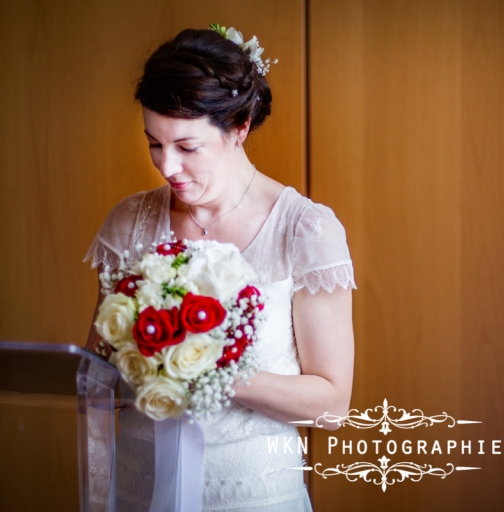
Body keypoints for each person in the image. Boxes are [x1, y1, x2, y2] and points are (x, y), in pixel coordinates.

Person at [84, 26, 355, 511]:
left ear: (240, 127)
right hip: (140, 489)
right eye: (154, 143)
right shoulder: (130, 222)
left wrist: (210, 366)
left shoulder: (305, 230)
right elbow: (97, 376)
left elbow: (332, 404)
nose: (167, 167)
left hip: (254, 494)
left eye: (187, 147)